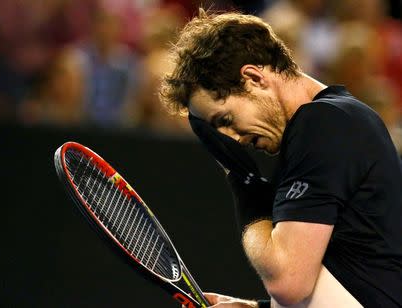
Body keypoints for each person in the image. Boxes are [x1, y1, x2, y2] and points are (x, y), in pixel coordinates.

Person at [159, 9, 402, 308]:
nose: (232, 138)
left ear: (253, 77)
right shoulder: (328, 124)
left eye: (225, 118)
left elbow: (288, 282)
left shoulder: (324, 123)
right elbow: (349, 272)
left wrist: (244, 187)